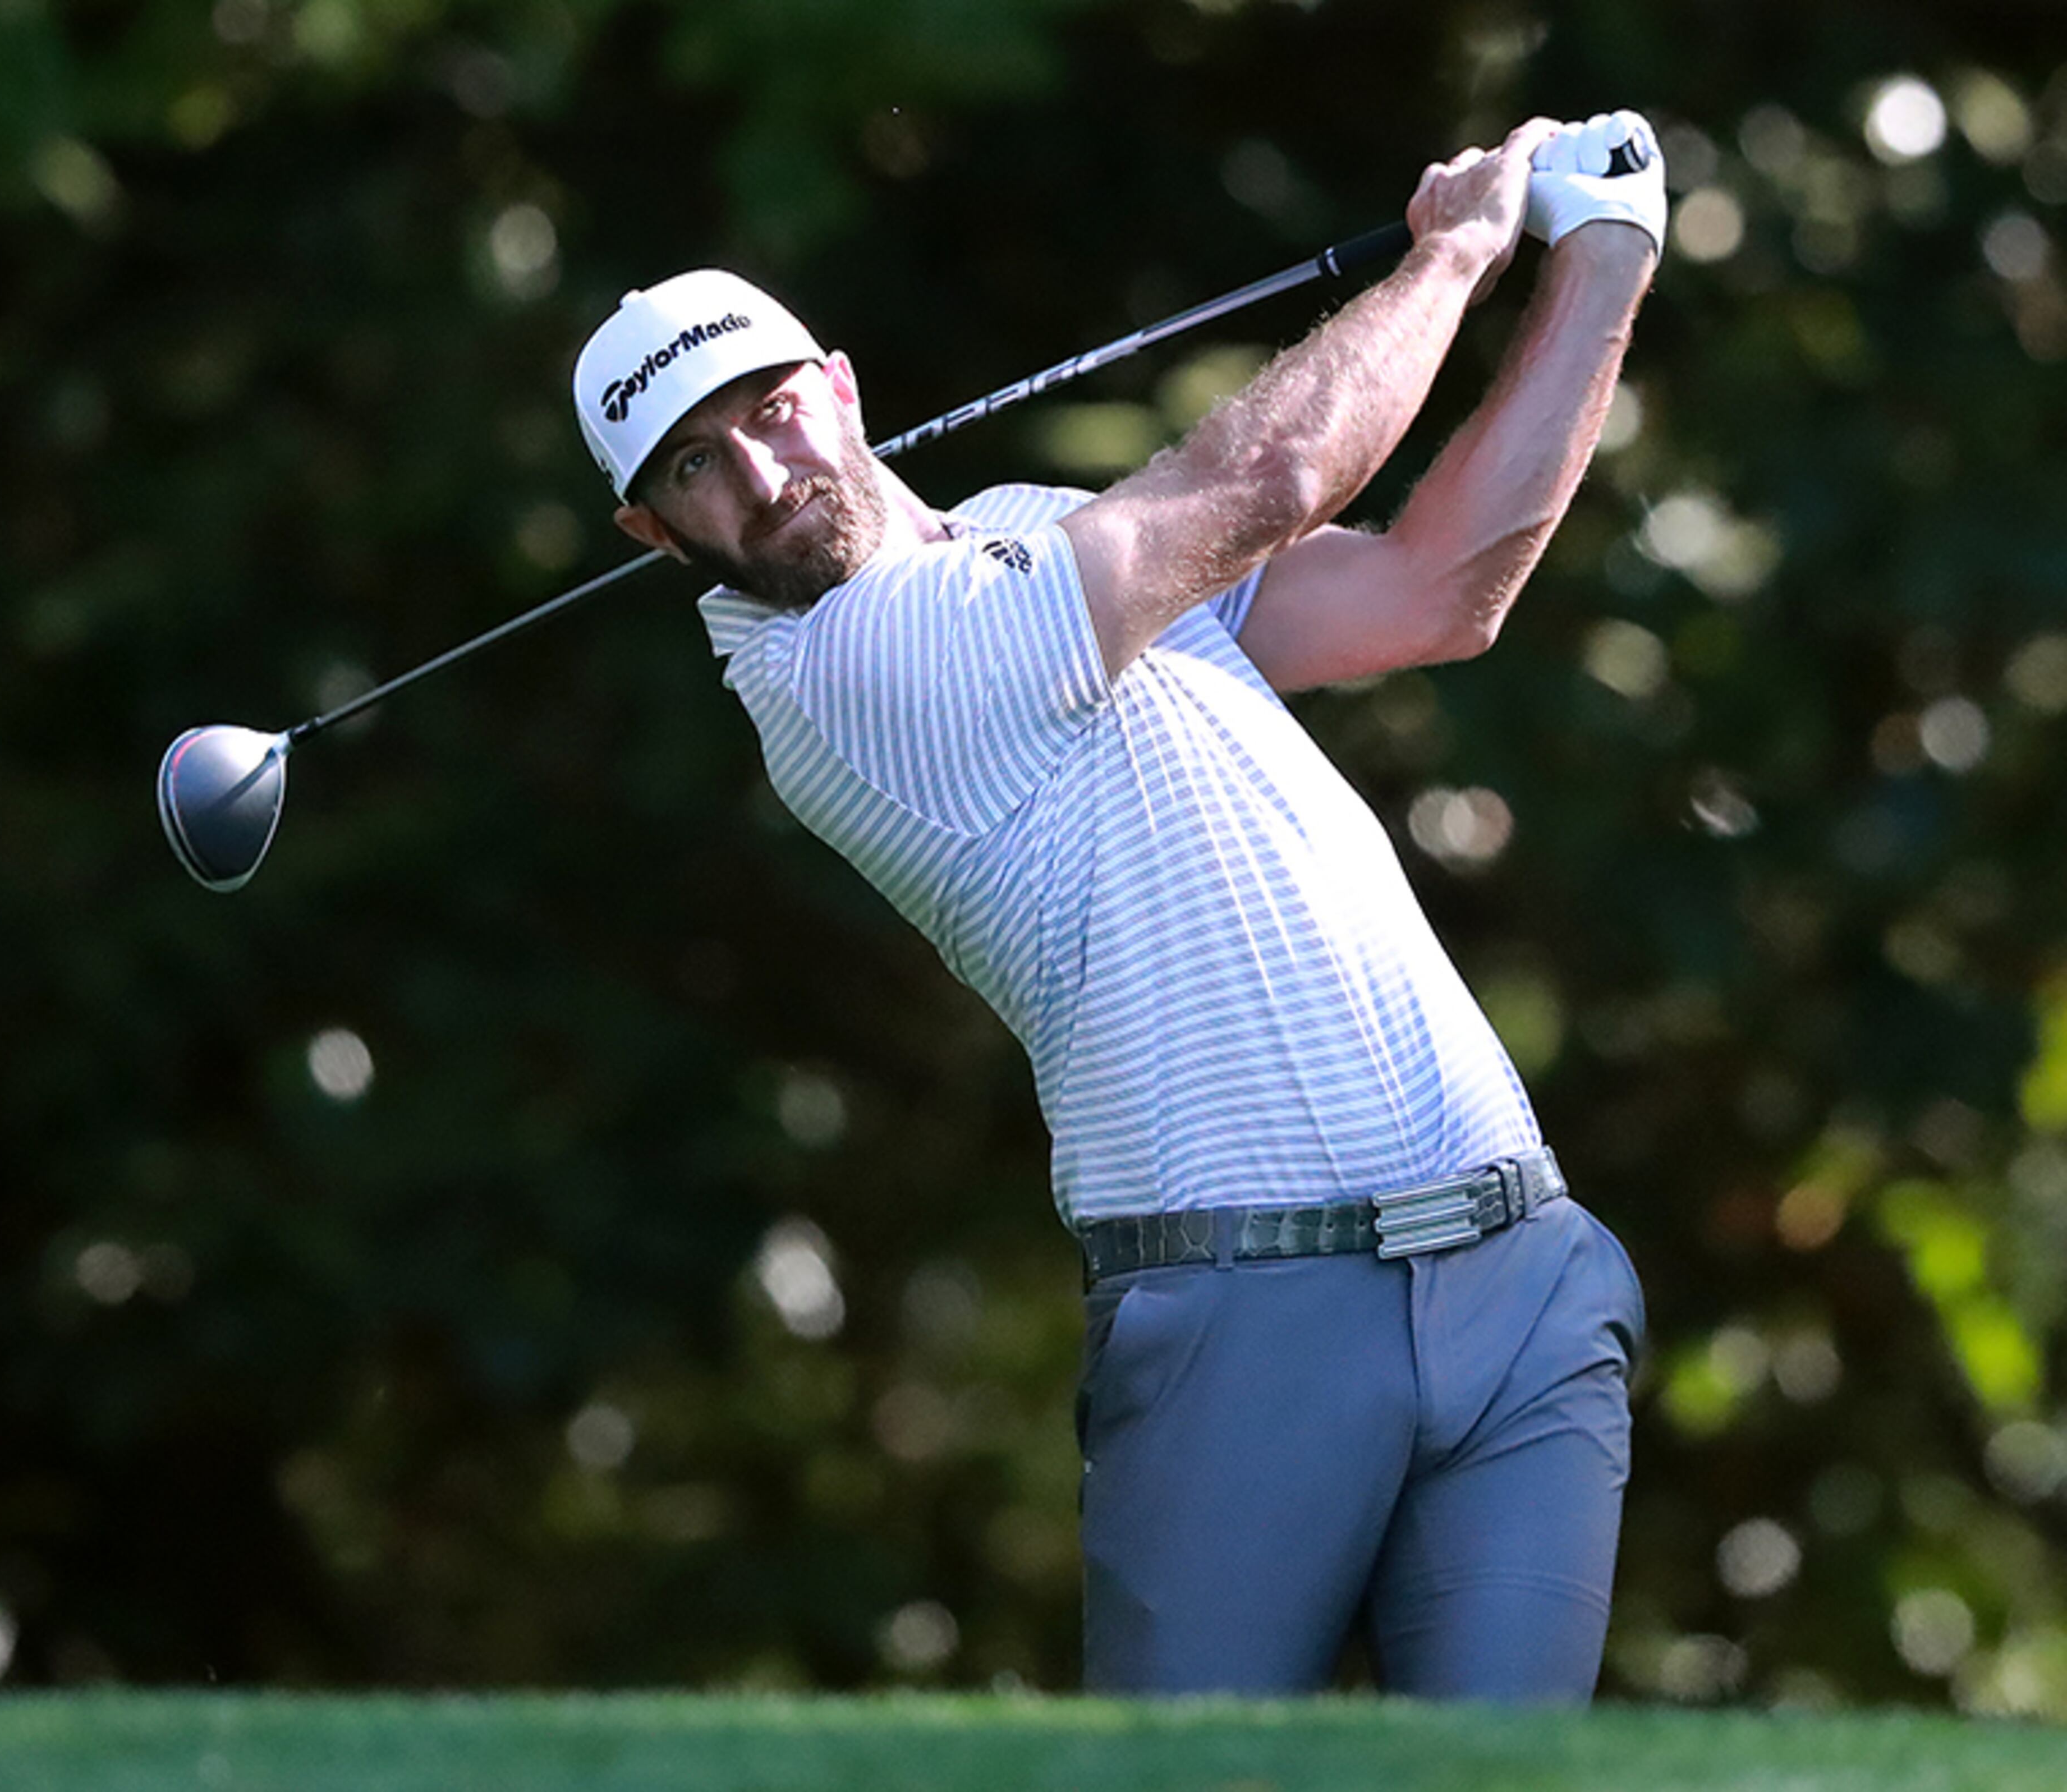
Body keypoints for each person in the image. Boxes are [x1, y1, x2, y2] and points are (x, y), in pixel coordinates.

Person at [569, 113, 1664, 1699]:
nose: (764, 473)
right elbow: (1269, 472)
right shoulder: (848, 681)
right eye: (696, 465)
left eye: (774, 410)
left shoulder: (1024, 531)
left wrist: (1608, 251)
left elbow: (1438, 590)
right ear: (651, 532)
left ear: (845, 388)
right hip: (1244, 1312)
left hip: (1519, 1265)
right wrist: (1463, 249)